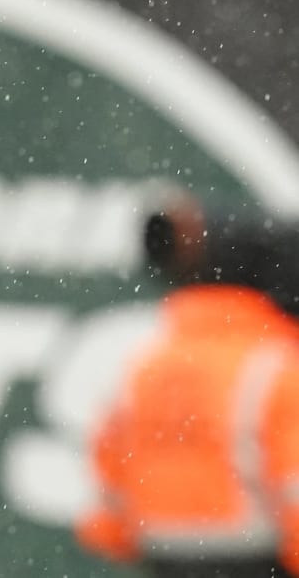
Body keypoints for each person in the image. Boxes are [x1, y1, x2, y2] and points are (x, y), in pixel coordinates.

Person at [77, 199, 299, 577]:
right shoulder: (276, 365)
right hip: (261, 563)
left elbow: (107, 519)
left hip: (163, 561)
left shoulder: (142, 366)